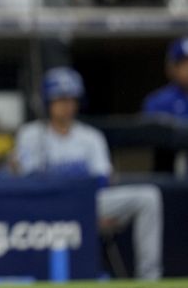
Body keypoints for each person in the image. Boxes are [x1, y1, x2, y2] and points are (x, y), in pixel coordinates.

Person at [14, 67, 162, 280]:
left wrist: (85, 210)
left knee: (148, 197)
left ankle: (150, 278)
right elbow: (29, 180)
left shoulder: (91, 137)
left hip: (87, 203)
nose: (67, 105)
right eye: (60, 99)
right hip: (47, 207)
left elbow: (101, 179)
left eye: (71, 99)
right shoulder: (31, 135)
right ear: (47, 102)